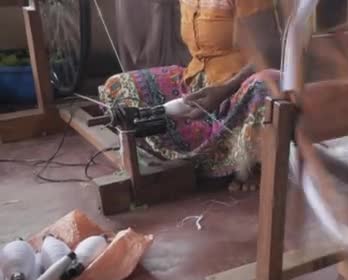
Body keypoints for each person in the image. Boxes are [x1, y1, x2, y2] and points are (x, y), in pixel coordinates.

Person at [99, 0, 282, 191]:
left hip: (241, 89)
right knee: (118, 87)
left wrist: (226, 89)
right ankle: (213, 162)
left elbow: (271, 51)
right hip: (197, 83)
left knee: (266, 86)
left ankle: (247, 164)